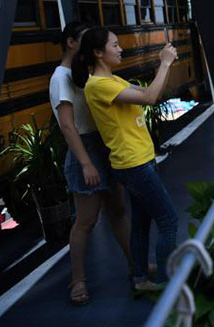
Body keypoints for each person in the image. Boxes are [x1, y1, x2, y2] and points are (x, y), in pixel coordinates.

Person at [73, 28, 179, 290]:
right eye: (115, 45)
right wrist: (164, 63)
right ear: (98, 53)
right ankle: (168, 286)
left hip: (138, 160)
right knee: (168, 221)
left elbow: (151, 93)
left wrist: (165, 65)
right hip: (134, 164)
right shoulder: (98, 86)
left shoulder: (114, 80)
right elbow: (150, 98)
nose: (120, 49)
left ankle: (140, 278)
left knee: (141, 223)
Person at [50, 21, 133, 305]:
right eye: (85, 39)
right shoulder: (61, 77)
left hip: (103, 144)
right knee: (86, 220)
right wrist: (86, 163)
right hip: (85, 148)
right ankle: (78, 280)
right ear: (71, 43)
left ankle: (135, 265)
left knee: (118, 210)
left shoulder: (84, 73)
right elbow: (67, 125)